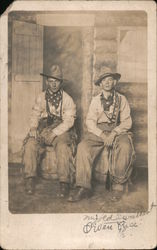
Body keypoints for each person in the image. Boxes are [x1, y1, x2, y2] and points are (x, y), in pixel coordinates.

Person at [68, 67, 135, 202]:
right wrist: (102, 134)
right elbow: (90, 122)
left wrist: (114, 133)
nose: (107, 83)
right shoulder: (95, 100)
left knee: (125, 145)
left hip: (117, 130)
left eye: (110, 80)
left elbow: (127, 122)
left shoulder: (122, 99)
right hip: (99, 131)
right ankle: (84, 186)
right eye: (104, 80)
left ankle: (118, 186)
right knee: (83, 147)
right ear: (100, 84)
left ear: (114, 82)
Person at [23, 65, 77, 197]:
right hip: (43, 127)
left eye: (56, 81)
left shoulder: (68, 99)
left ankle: (64, 183)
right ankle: (30, 179)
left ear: (61, 82)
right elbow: (35, 113)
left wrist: (55, 133)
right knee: (30, 144)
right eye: (51, 81)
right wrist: (34, 127)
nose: (53, 84)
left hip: (61, 128)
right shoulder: (41, 97)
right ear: (47, 82)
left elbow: (69, 121)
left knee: (63, 146)